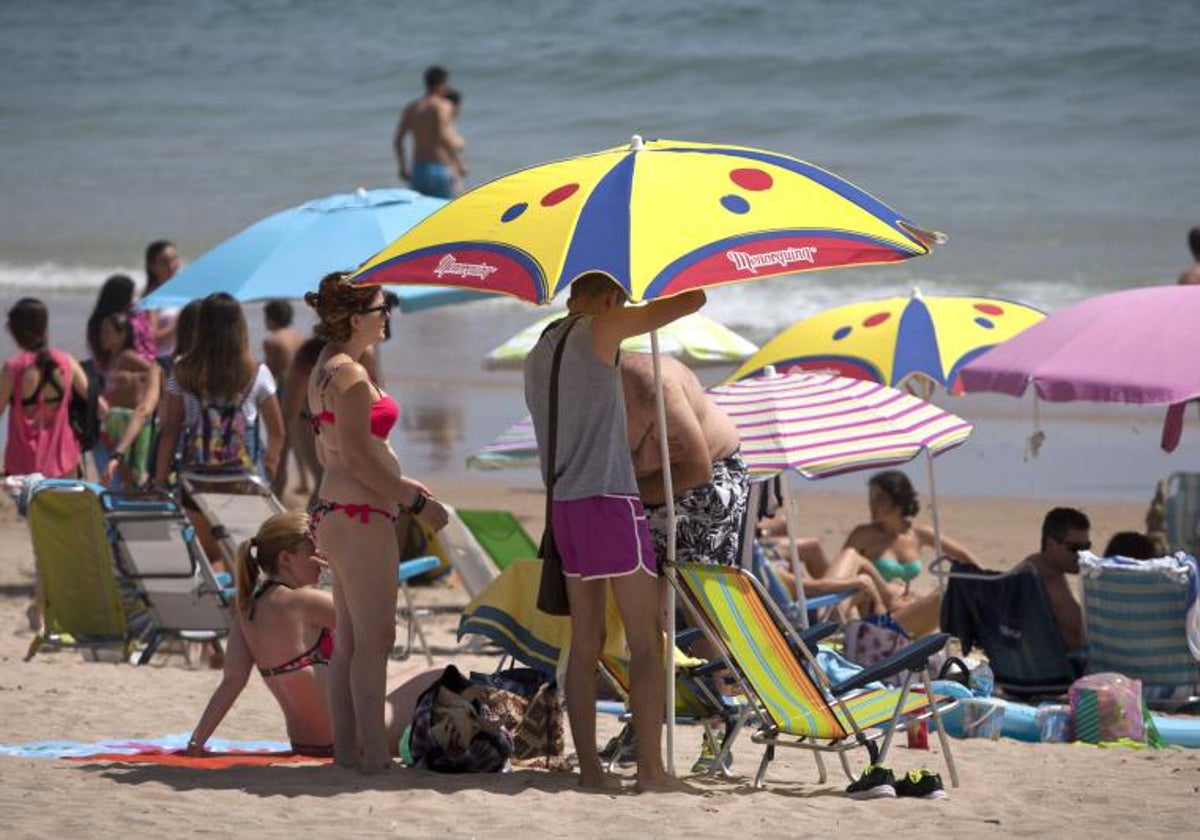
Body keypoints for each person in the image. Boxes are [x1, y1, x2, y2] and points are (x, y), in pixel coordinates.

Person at [524, 272, 704, 793]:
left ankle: (591, 771)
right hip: (608, 500)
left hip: (565, 505)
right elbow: (694, 298)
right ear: (610, 298)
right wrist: (663, 270)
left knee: (586, 643)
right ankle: (650, 770)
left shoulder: (542, 347)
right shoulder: (600, 329)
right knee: (647, 640)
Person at [304, 272, 449, 774]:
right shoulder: (348, 375)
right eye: (384, 307)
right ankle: (370, 757)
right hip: (360, 515)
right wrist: (412, 501)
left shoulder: (328, 367)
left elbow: (338, 452)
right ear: (355, 316)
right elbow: (361, 460)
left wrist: (398, 480)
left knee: (349, 639)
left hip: (339, 510)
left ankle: (349, 751)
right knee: (375, 639)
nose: (389, 315)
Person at [185, 511, 442, 758]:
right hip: (350, 739)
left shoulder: (247, 613)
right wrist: (341, 574)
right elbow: (383, 625)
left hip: (303, 744)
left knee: (415, 670)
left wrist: (198, 739)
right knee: (439, 671)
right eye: (313, 550)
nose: (322, 556)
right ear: (286, 558)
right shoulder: (305, 602)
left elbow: (232, 683)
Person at [153, 293, 285, 561]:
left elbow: (170, 431)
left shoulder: (182, 372)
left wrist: (158, 480)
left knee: (206, 558)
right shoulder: (257, 372)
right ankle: (239, 603)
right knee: (239, 560)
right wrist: (269, 469)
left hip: (196, 482)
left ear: (201, 327)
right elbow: (277, 431)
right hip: (243, 480)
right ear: (240, 327)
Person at [622, 352, 748, 567]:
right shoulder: (580, 396)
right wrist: (641, 463)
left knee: (680, 578)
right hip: (649, 482)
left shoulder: (653, 389)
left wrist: (628, 485)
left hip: (709, 478)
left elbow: (697, 471)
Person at [829, 470, 979, 598]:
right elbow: (840, 572)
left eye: (879, 498)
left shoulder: (919, 534)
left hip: (902, 606)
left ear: (898, 500)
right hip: (871, 607)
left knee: (946, 595)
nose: (872, 504)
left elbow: (963, 556)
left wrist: (989, 581)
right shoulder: (863, 535)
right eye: (871, 498)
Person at [0, 298, 89, 478]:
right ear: (44, 329)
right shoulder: (67, 362)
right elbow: (93, 400)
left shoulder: (13, 368)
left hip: (22, 464)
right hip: (64, 459)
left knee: (30, 507)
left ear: (16, 333)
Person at [94, 312, 161, 488]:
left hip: (129, 420)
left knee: (129, 475)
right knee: (121, 474)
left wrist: (135, 383)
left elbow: (155, 370)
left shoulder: (127, 356)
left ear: (122, 334)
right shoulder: (112, 359)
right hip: (116, 422)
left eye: (107, 332)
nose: (102, 336)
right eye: (101, 331)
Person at [1020, 506, 1091, 656]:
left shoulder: (1030, 565)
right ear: (1051, 544)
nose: (1082, 555)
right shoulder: (1049, 579)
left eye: (1086, 547)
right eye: (1075, 548)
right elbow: (1077, 636)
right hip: (1057, 671)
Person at [393, 65, 466, 199]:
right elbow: (444, 137)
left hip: (418, 169)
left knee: (423, 215)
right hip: (440, 167)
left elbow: (398, 140)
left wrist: (402, 167)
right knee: (446, 213)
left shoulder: (412, 108)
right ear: (442, 84)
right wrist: (459, 160)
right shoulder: (442, 106)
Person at [262, 300, 305, 497]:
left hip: (283, 392)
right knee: (297, 439)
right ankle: (304, 480)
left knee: (280, 443)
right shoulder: (298, 337)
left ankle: (277, 492)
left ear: (270, 318)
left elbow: (271, 372)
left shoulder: (272, 340)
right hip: (303, 392)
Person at [87, 274, 156, 363]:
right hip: (123, 365)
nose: (134, 300)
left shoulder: (98, 319)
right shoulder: (114, 322)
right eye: (132, 295)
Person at [143, 240, 181, 356]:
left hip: (185, 358)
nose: (171, 266)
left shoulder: (183, 291)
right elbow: (151, 336)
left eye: (174, 259)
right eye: (164, 262)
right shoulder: (152, 297)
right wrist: (177, 324)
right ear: (153, 266)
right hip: (163, 360)